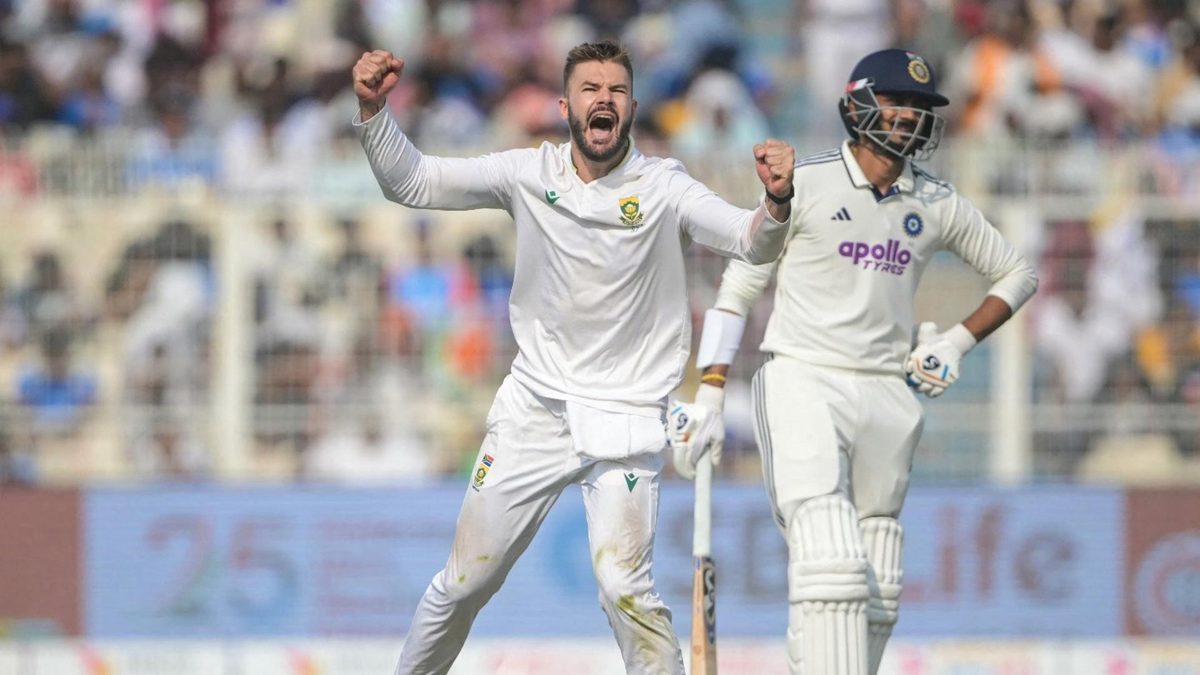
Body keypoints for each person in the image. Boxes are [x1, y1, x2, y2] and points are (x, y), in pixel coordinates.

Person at [352, 40, 796, 675]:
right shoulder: (529, 174)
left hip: (626, 419)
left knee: (625, 591)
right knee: (463, 585)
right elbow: (413, 181)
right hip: (534, 411)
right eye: (590, 89)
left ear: (634, 107)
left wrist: (775, 203)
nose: (603, 100)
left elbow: (748, 242)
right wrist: (372, 111)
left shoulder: (664, 187)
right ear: (566, 106)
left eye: (616, 90)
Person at [669, 49, 1039, 675]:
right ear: (858, 103)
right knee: (832, 560)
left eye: (920, 108)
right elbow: (738, 287)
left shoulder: (937, 201)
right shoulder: (805, 183)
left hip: (889, 394)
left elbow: (1017, 273)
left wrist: (954, 342)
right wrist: (710, 389)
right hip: (803, 377)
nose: (908, 117)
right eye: (896, 102)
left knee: (879, 586)